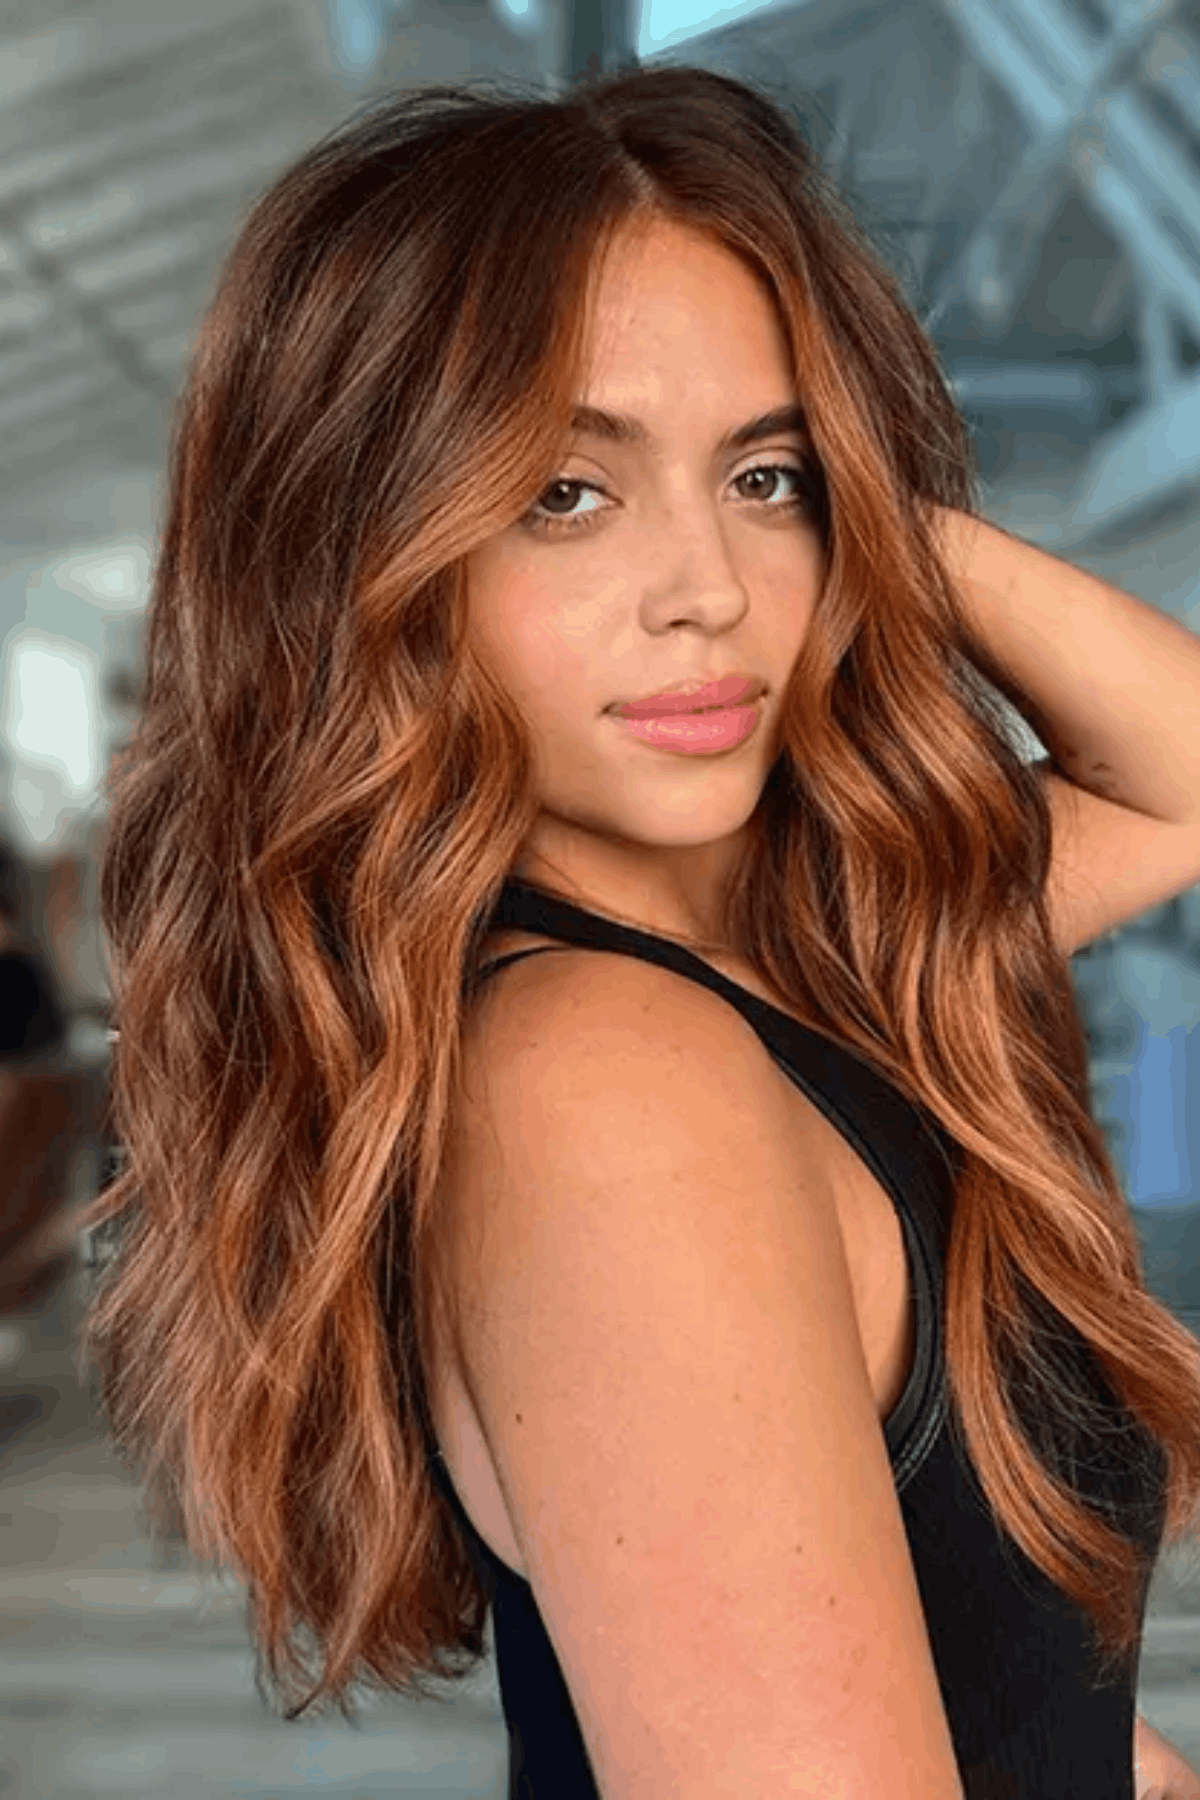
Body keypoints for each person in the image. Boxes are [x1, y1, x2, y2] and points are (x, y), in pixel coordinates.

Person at [73, 64, 1200, 1799]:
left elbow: (1178, 783)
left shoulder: (824, 940)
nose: (711, 590)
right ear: (367, 555)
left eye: (765, 475)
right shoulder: (609, 1089)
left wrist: (874, 511)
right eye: (566, 494)